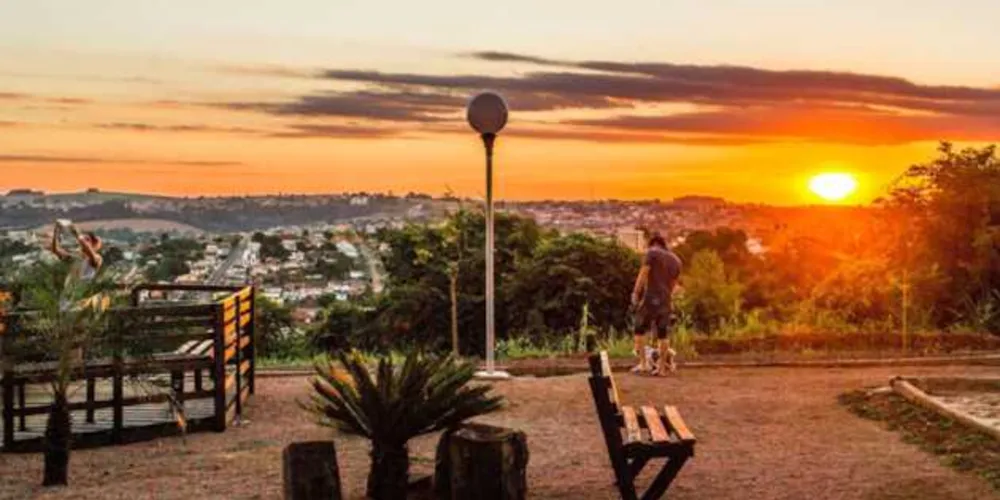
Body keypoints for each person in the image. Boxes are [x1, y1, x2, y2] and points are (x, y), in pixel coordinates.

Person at [630, 233, 682, 376]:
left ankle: (644, 364)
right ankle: (661, 369)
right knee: (663, 334)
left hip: (651, 296)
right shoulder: (676, 260)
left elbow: (643, 273)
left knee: (639, 328)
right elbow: (673, 285)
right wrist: (667, 298)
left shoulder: (651, 253)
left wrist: (635, 293)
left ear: (652, 243)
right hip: (666, 299)